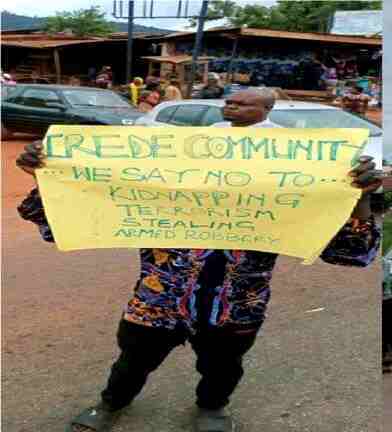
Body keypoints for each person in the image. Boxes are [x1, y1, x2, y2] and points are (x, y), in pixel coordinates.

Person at [16, 89, 381, 432]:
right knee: (133, 359)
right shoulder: (182, 158)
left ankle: (212, 407)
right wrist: (48, 175)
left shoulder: (292, 166)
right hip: (158, 297)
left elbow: (350, 250)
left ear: (267, 110)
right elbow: (85, 207)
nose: (232, 107)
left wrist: (359, 196)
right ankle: (111, 403)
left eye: (243, 103)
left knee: (222, 365)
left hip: (238, 301)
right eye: (229, 102)